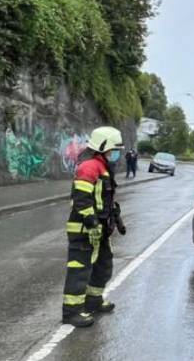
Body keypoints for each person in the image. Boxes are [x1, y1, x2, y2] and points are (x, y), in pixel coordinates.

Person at [61, 126, 125, 327]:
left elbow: (104, 199)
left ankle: (93, 301)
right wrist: (92, 223)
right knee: (79, 270)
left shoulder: (103, 168)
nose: (116, 154)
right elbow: (81, 199)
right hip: (84, 230)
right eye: (114, 149)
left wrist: (116, 217)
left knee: (103, 266)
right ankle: (71, 312)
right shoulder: (89, 167)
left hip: (99, 231)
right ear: (103, 147)